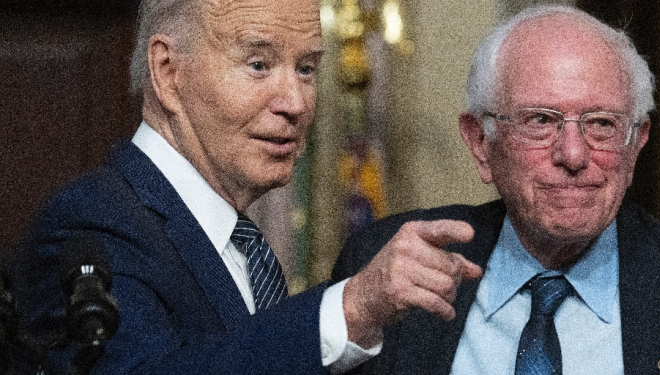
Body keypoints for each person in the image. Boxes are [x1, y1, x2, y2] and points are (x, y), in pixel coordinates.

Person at [10, 0, 482, 374]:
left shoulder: (240, 242)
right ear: (168, 72)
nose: (295, 102)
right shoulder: (88, 228)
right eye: (258, 64)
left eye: (306, 69)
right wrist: (352, 308)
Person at [332, 5, 660, 375]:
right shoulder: (386, 264)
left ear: (636, 143)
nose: (573, 154)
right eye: (541, 121)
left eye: (601, 124)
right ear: (480, 142)